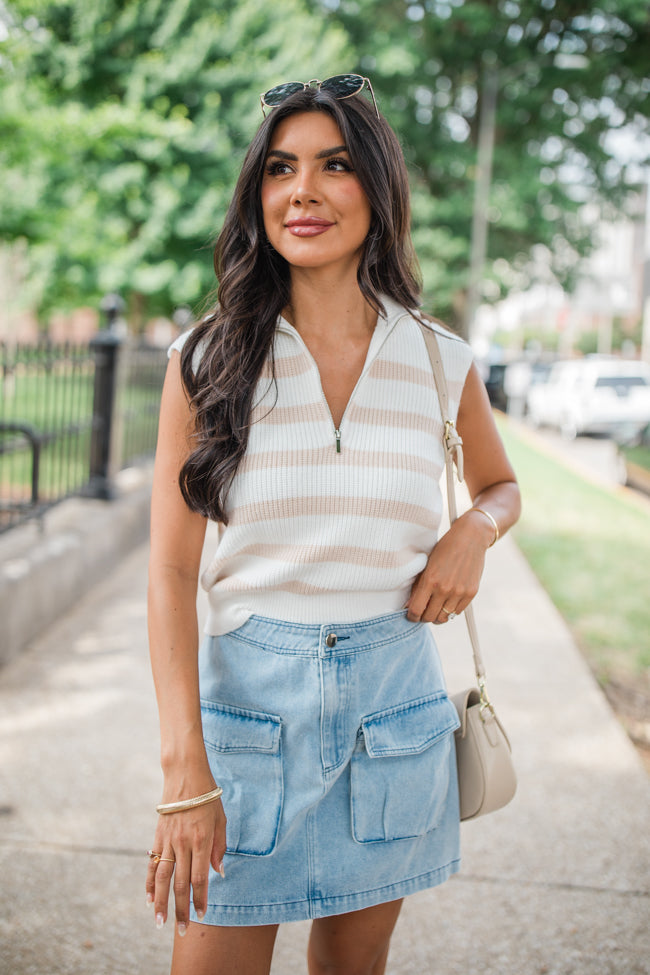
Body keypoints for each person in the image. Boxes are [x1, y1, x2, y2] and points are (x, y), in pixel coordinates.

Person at [146, 74, 521, 975]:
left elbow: (502, 485)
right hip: (248, 716)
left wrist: (472, 528)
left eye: (334, 166)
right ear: (258, 195)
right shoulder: (204, 362)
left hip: (394, 712)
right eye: (280, 168)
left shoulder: (439, 357)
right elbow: (166, 576)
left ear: (377, 190)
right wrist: (182, 773)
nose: (302, 191)